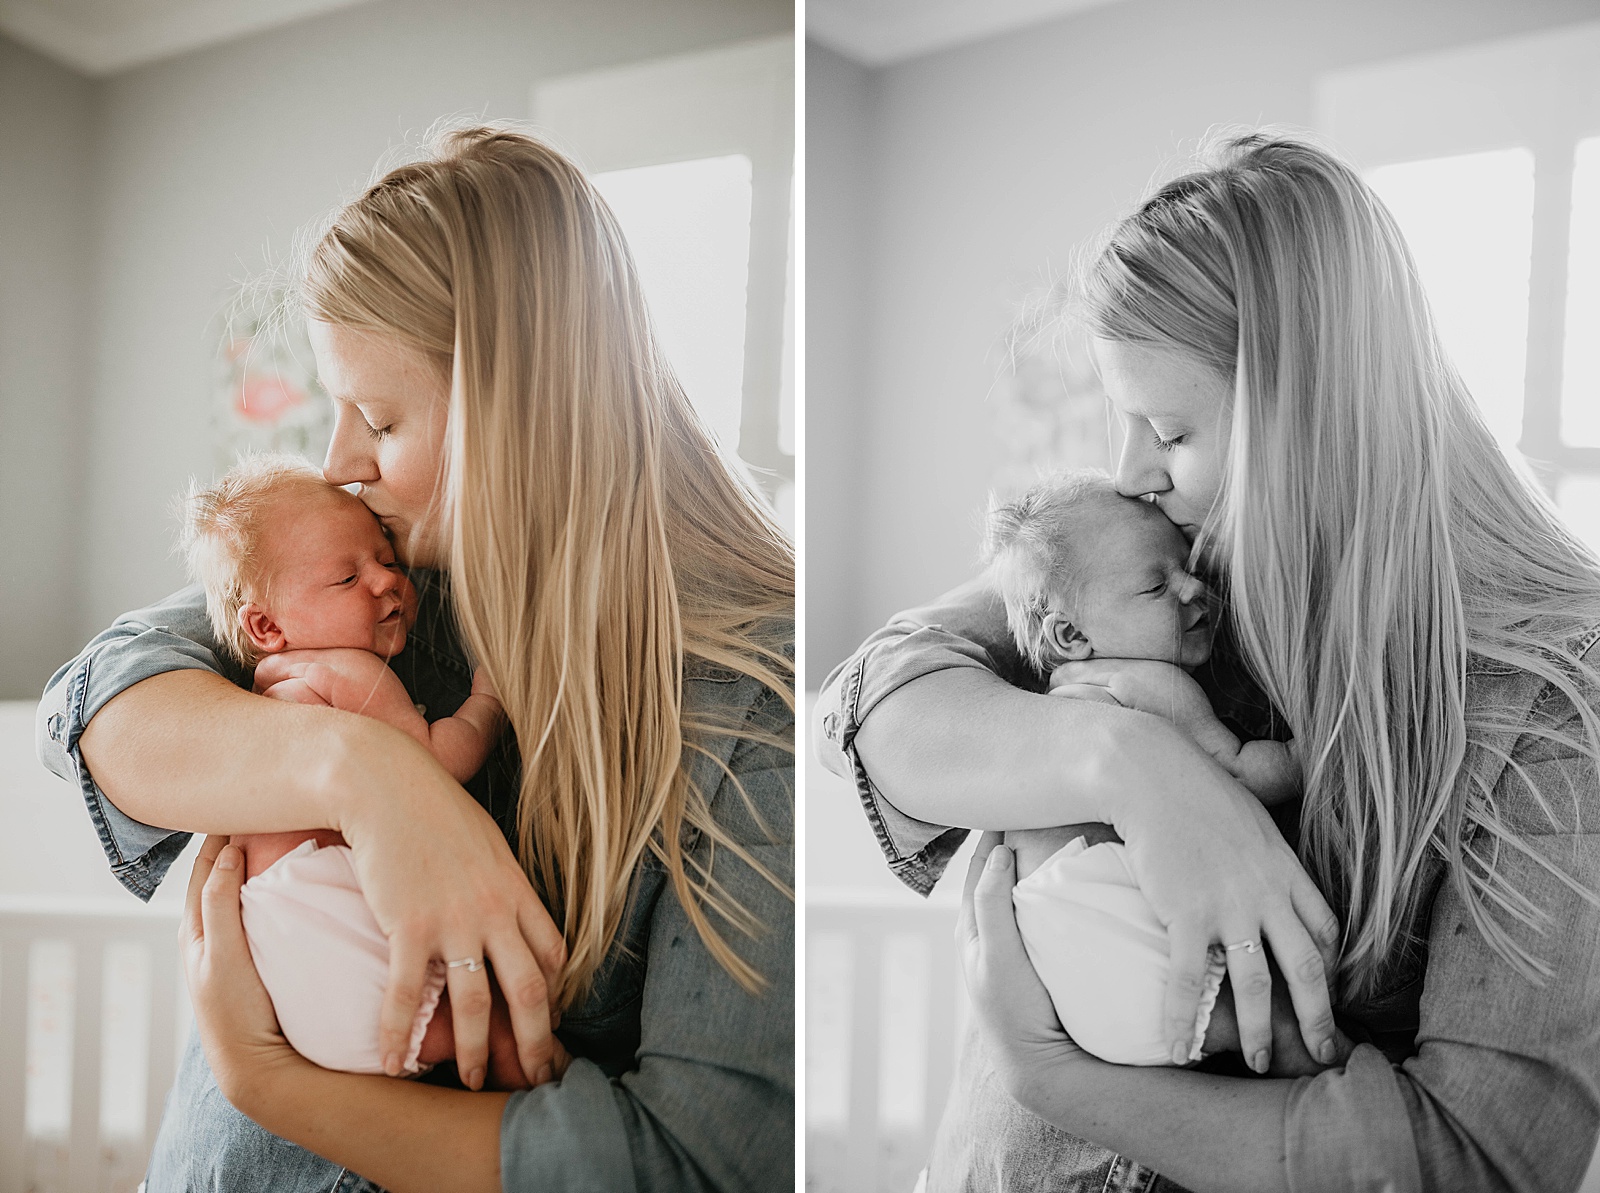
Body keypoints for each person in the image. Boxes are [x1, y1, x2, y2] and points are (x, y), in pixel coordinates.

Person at [817, 129, 1600, 1191]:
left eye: (1169, 430)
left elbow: (1471, 1157)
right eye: (1124, 422)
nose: (1131, 471)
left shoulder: (1549, 704)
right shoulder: (1151, 557)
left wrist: (1058, 1080)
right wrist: (1135, 769)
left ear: (1312, 421)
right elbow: (869, 700)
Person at [37, 124, 794, 1193]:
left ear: (520, 413)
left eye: (380, 419)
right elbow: (96, 701)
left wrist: (270, 1082)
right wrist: (371, 777)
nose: (339, 461)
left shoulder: (746, 701)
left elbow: (693, 1163)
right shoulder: (382, 574)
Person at [179, 452, 526, 1087]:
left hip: (282, 956)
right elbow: (435, 763)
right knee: (503, 1028)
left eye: (387, 560)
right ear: (266, 625)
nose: (386, 581)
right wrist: (488, 703)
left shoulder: (267, 686)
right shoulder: (347, 670)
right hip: (332, 913)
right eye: (347, 578)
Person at [982, 468, 1308, 1070]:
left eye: (1188, 566)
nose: (1193, 588)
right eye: (1157, 586)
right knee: (1286, 1026)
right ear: (1072, 633)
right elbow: (1240, 774)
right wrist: (1314, 751)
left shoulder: (1058, 700)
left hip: (1062, 959)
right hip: (1119, 920)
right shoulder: (1151, 685)